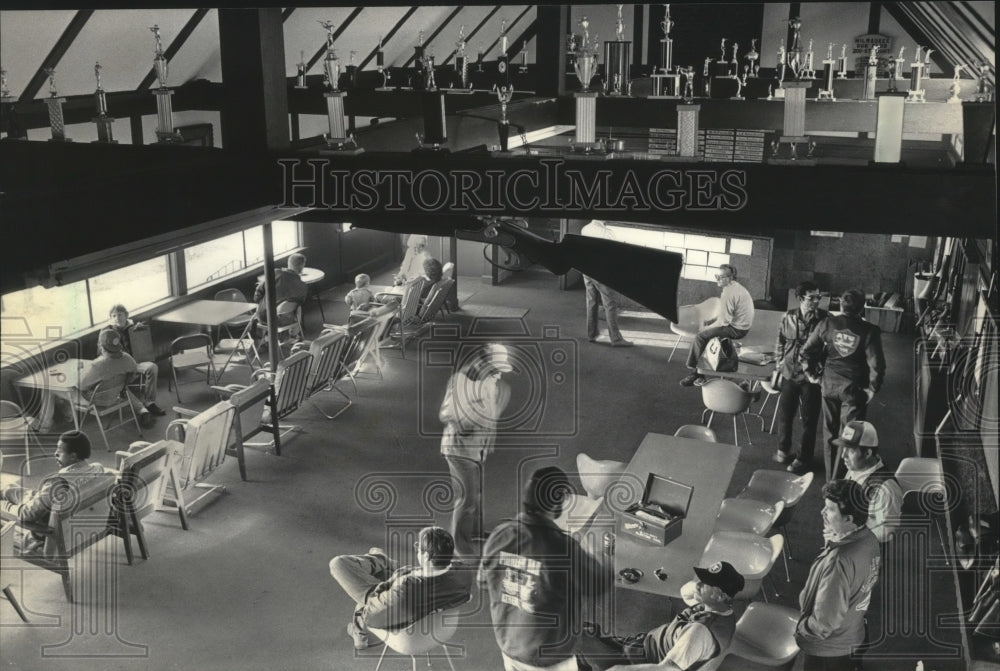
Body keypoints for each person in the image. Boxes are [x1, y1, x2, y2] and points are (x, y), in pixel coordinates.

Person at [480, 466, 608, 671]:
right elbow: (598, 584)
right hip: (551, 657)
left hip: (510, 645)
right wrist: (600, 552)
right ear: (558, 501)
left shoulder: (499, 535)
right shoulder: (562, 547)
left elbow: (484, 581)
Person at [579, 561, 745, 671]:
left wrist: (619, 669)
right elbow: (685, 593)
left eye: (706, 583)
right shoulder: (719, 609)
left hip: (639, 662)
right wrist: (700, 587)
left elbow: (667, 669)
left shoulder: (698, 633)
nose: (698, 584)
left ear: (720, 595)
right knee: (585, 629)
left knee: (576, 637)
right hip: (641, 645)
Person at [328, 526, 473, 650]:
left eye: (418, 548)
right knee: (397, 570)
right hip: (440, 630)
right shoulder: (464, 572)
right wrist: (403, 576)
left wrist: (393, 582)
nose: (416, 550)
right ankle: (382, 560)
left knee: (338, 564)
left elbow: (371, 617)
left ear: (427, 555)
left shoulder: (406, 588)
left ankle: (380, 559)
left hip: (406, 636)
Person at [799, 289, 886, 482]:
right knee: (850, 438)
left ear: (840, 305)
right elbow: (877, 364)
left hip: (828, 386)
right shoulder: (869, 331)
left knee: (829, 433)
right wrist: (873, 388)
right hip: (854, 391)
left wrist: (813, 376)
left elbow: (806, 352)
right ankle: (843, 482)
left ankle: (831, 481)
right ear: (862, 308)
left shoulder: (827, 324)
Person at [796, 479, 881, 671]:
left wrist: (801, 628)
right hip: (853, 632)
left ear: (849, 519)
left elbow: (823, 624)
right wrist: (834, 541)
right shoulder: (870, 539)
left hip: (828, 651)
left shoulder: (839, 562)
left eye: (830, 509)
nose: (822, 513)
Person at [439, 343, 513, 556]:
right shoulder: (461, 382)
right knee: (466, 499)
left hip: (476, 449)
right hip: (458, 450)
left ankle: (476, 532)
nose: (499, 374)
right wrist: (470, 420)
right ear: (483, 363)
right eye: (496, 368)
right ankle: (460, 547)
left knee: (476, 495)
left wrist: (493, 416)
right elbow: (446, 415)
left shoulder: (489, 380)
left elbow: (488, 413)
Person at [1, 431, 106, 553]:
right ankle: (5, 490)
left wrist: (5, 506)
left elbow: (26, 515)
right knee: (9, 488)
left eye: (60, 450)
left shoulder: (56, 484)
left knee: (4, 503)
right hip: (74, 520)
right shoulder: (98, 469)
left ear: (73, 456)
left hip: (49, 531)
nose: (55, 453)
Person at [36, 329, 153, 430]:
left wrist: (79, 372)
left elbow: (80, 386)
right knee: (119, 385)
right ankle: (69, 415)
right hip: (116, 395)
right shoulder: (127, 358)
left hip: (96, 401)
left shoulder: (97, 365)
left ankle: (44, 426)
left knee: (49, 389)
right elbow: (133, 373)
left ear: (101, 347)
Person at [772, 282, 829, 474]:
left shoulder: (825, 319)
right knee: (785, 415)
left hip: (810, 377)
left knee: (809, 419)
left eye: (818, 297)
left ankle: (803, 458)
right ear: (800, 298)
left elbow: (829, 348)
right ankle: (782, 449)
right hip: (789, 371)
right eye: (811, 297)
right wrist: (779, 364)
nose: (816, 301)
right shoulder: (788, 317)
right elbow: (780, 341)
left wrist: (820, 370)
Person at [679, 264, 755, 387]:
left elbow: (724, 322)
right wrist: (712, 323)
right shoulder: (734, 288)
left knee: (700, 337)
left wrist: (706, 328)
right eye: (716, 276)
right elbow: (725, 315)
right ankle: (700, 367)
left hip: (737, 329)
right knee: (708, 329)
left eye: (720, 277)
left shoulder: (729, 293)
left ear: (730, 278)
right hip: (741, 325)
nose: (717, 279)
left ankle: (695, 373)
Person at [836, 421, 902, 544]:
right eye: (843, 448)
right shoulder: (855, 469)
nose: (843, 455)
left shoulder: (886, 489)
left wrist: (851, 538)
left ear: (867, 453)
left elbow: (887, 531)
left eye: (850, 450)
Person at [102, 303, 164, 416]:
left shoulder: (133, 327)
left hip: (136, 363)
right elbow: (101, 353)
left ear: (126, 315)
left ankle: (150, 403)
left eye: (120, 315)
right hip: (119, 366)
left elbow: (143, 345)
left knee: (152, 367)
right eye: (113, 316)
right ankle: (141, 410)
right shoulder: (106, 332)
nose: (117, 318)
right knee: (119, 382)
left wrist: (141, 332)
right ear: (110, 318)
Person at [581, 220, 633, 348]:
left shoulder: (585, 228)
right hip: (600, 271)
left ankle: (591, 335)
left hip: (586, 268)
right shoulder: (607, 232)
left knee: (591, 301)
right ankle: (616, 338)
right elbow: (613, 254)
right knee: (610, 304)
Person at [252, 252, 308, 329]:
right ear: (302, 266)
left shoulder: (275, 273)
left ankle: (265, 336)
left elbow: (258, 293)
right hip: (280, 321)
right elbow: (299, 303)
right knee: (298, 308)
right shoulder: (302, 286)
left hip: (262, 316)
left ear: (289, 263)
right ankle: (294, 334)